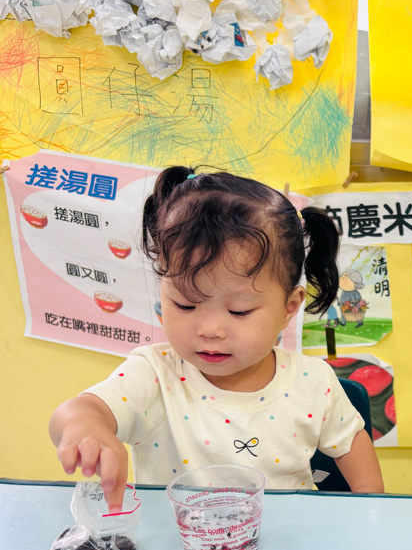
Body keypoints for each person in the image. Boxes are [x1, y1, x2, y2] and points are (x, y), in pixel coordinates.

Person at [49, 166, 384, 510]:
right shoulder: (153, 375)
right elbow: (78, 411)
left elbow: (351, 446)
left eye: (239, 311)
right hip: (181, 540)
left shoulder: (313, 382)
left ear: (289, 307)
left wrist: (371, 515)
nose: (210, 330)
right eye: (185, 304)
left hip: (288, 537)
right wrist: (85, 426)